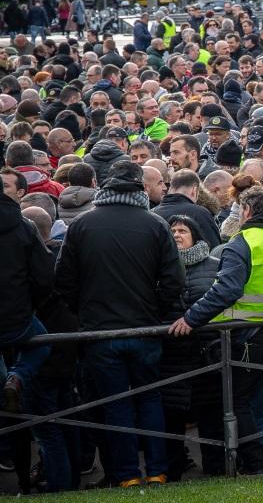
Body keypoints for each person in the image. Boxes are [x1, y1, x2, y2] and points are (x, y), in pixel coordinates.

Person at [168, 185, 263, 475]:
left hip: (251, 335)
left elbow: (227, 290)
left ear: (245, 211)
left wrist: (191, 318)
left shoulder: (242, 242)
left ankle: (255, 463)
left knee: (239, 399)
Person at [55, 160, 184, 487]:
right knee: (150, 399)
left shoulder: (82, 226)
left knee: (116, 403)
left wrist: (84, 311)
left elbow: (64, 281)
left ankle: (127, 474)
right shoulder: (154, 225)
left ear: (104, 187)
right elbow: (174, 280)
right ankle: (156, 470)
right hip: (144, 328)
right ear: (140, 189)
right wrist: (155, 310)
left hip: (100, 330)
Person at [159, 215, 222, 478]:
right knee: (171, 417)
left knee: (211, 416)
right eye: (172, 230)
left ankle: (217, 469)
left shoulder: (216, 266)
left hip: (207, 355)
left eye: (182, 230)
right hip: (173, 357)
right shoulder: (159, 267)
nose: (176, 235)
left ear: (195, 235)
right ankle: (173, 470)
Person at [0, 182, 53, 414]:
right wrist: (28, 306)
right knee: (42, 342)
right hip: (16, 319)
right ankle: (17, 376)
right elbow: (44, 277)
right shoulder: (23, 226)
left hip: (17, 316)